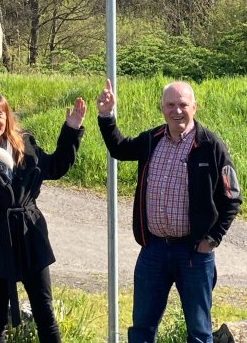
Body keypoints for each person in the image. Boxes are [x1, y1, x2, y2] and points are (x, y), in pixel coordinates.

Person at [97, 79, 242, 343]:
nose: (177, 111)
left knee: (199, 332)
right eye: (170, 105)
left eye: (183, 105)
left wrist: (212, 240)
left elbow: (232, 198)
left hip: (194, 255)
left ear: (194, 107)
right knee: (142, 329)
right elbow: (119, 148)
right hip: (153, 251)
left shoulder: (210, 145)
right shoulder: (152, 140)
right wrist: (106, 116)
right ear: (162, 108)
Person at [0, 92, 86, 343]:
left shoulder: (25, 145)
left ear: (7, 117)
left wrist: (71, 130)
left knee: (44, 310)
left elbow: (56, 167)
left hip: (30, 234)